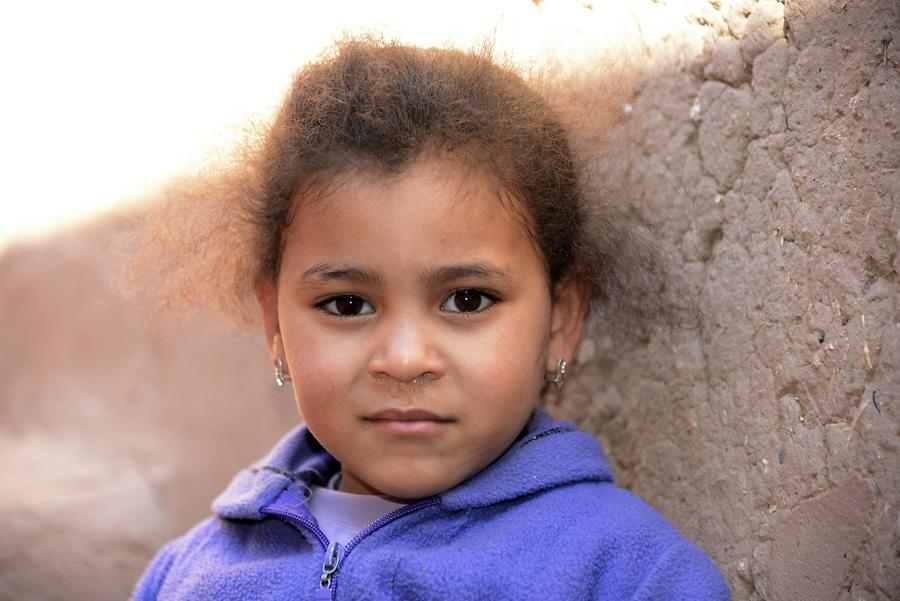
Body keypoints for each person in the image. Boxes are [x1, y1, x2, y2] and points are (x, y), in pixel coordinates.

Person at [130, 37, 731, 600]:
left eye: (467, 300)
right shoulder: (189, 573)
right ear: (275, 327)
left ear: (560, 321)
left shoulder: (624, 572)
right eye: (347, 304)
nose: (405, 359)